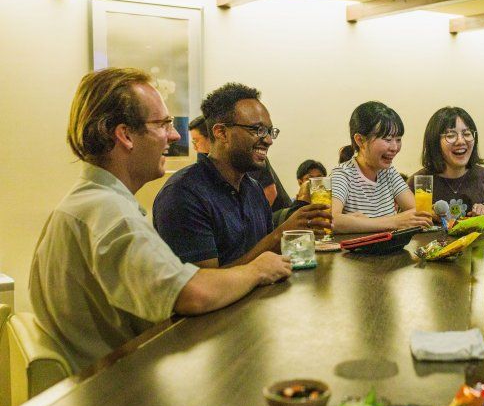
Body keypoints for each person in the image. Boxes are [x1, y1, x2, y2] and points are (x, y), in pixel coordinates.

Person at [29, 68, 292, 371]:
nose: (175, 135)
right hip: (116, 390)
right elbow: (190, 294)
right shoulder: (112, 217)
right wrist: (258, 269)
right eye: (163, 123)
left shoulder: (86, 202)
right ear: (125, 135)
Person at [153, 82, 331, 267]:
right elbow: (204, 286)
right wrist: (278, 237)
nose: (269, 140)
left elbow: (267, 262)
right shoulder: (183, 194)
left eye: (270, 131)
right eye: (258, 130)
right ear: (222, 133)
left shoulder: (253, 189)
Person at [330, 101, 431, 233]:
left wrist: (362, 222)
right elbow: (331, 221)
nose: (394, 147)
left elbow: (420, 212)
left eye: (398, 139)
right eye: (387, 139)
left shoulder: (388, 172)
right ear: (360, 140)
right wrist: (394, 221)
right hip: (358, 253)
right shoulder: (342, 175)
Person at [409, 107, 484, 217]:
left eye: (467, 134)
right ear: (434, 142)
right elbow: (405, 226)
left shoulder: (482, 176)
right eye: (450, 135)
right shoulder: (419, 182)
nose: (460, 141)